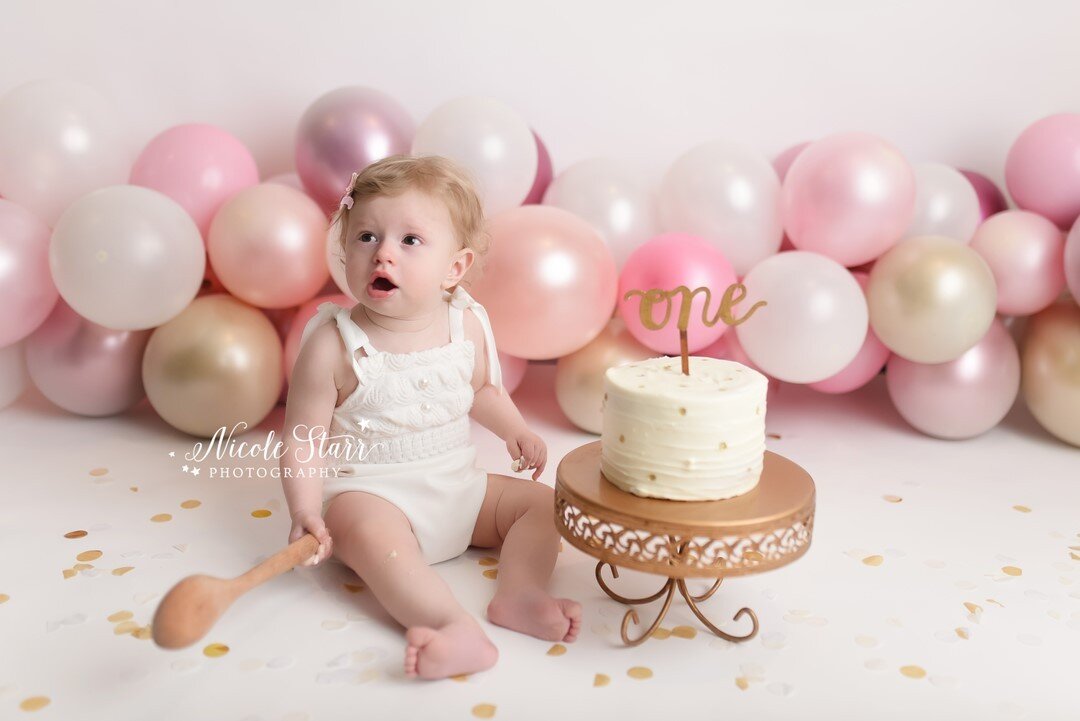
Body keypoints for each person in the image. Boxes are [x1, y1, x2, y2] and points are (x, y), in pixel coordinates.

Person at [280, 154, 581, 681]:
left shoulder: (463, 323)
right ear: (345, 249)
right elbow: (304, 439)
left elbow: (482, 389)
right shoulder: (333, 344)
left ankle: (520, 593)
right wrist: (305, 510)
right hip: (373, 494)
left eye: (410, 241)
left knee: (543, 505)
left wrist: (516, 430)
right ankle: (449, 624)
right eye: (366, 237)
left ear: (455, 268)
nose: (383, 255)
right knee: (370, 536)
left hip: (456, 488)